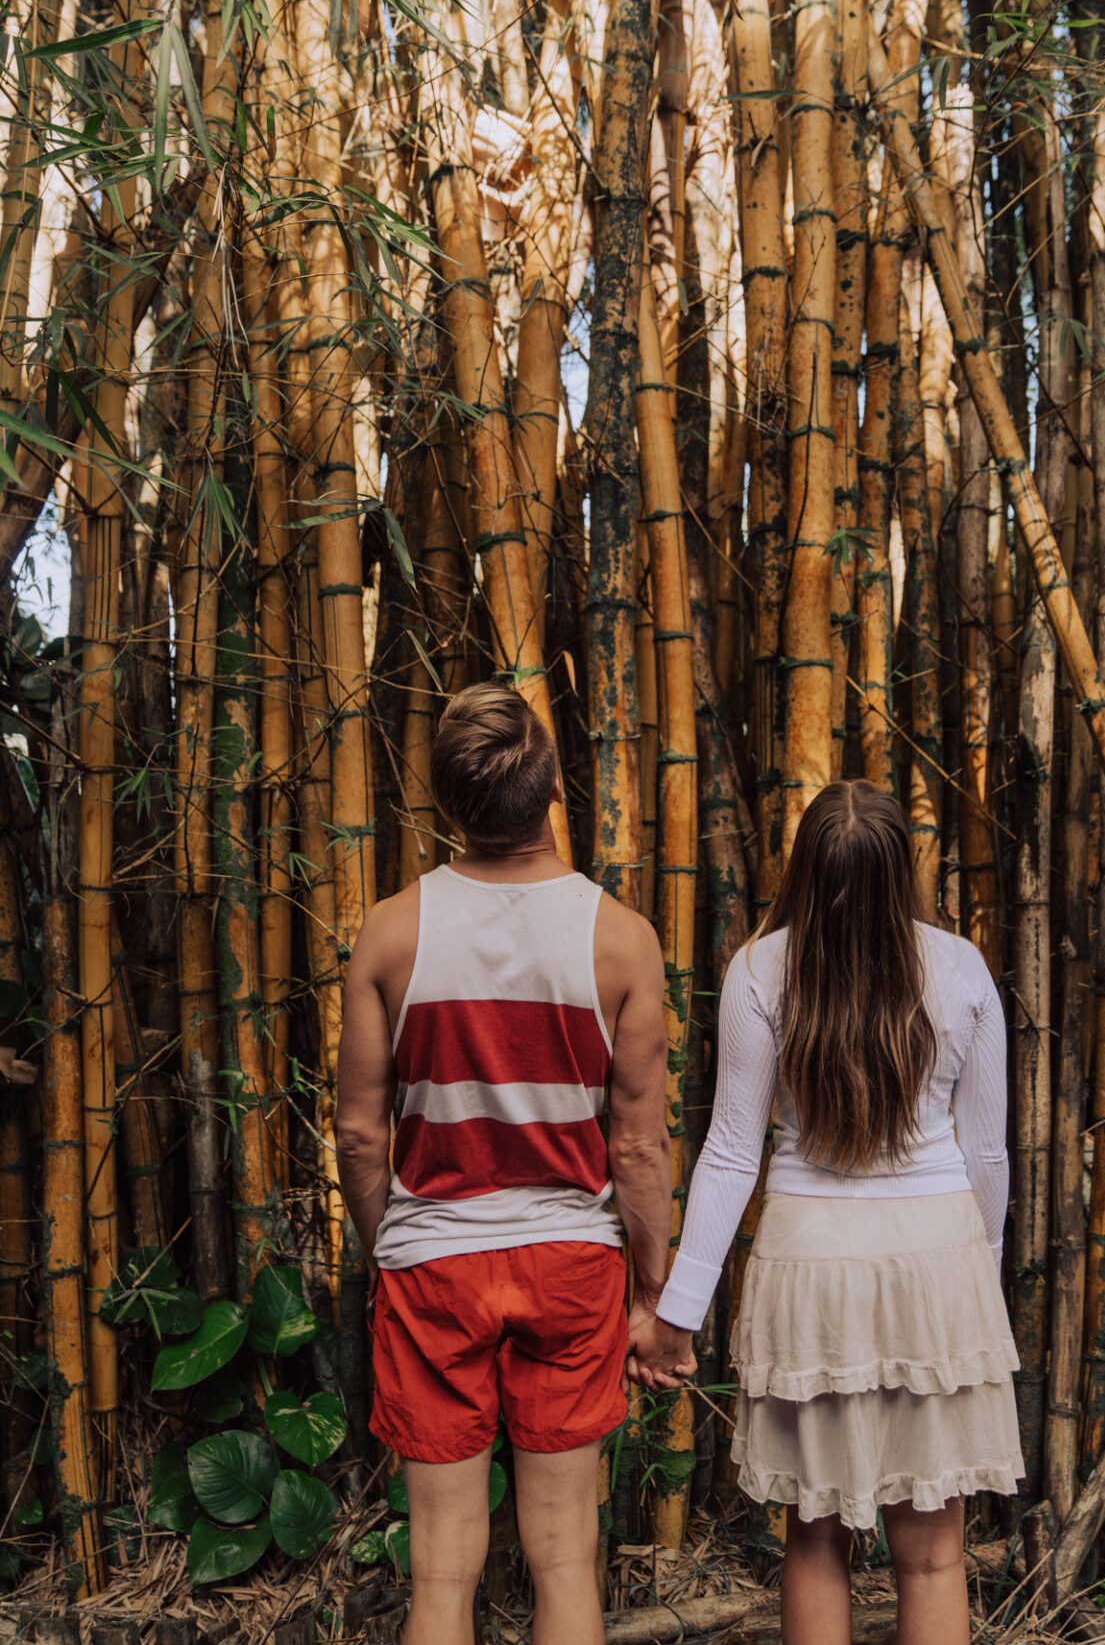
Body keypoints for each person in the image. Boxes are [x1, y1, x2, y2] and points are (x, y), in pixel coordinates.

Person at [336, 681, 693, 1645]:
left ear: (449, 803)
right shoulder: (620, 939)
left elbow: (363, 1135)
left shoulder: (391, 931)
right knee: (566, 1560)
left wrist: (398, 1243)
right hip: (572, 1265)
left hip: (433, 1267)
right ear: (551, 797)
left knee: (442, 1571)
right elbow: (636, 1145)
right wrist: (650, 1293)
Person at [631, 779, 1023, 1645]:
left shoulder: (757, 969)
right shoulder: (959, 968)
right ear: (900, 871)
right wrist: (978, 1267)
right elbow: (986, 1152)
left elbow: (733, 1151)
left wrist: (676, 1314)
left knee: (813, 1538)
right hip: (936, 1256)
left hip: (807, 1262)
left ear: (802, 867)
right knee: (931, 1551)